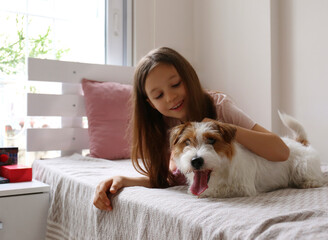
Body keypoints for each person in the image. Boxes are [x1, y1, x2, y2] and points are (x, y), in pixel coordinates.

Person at [93, 47, 290, 211]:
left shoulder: (219, 106)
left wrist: (226, 130)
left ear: (189, 78)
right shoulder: (162, 126)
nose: (170, 97)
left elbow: (281, 151)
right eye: (159, 95)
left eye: (176, 84)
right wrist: (123, 179)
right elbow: (165, 178)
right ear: (151, 104)